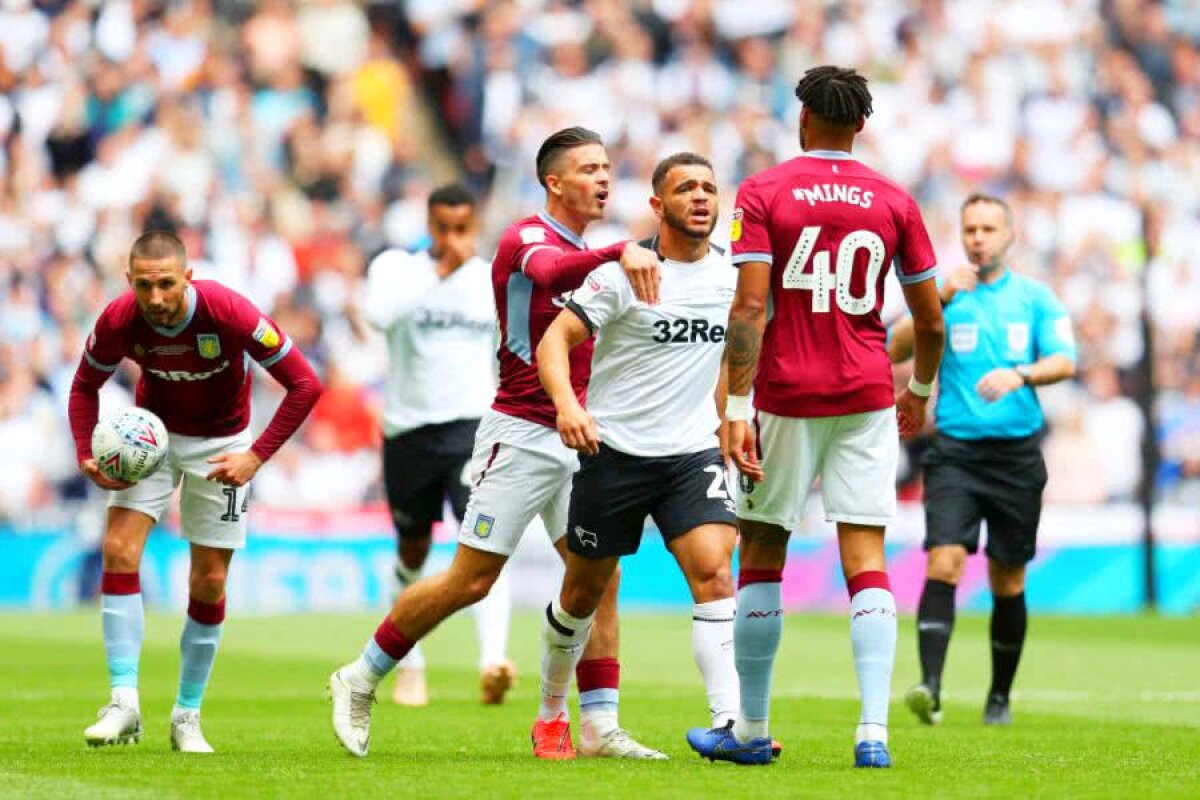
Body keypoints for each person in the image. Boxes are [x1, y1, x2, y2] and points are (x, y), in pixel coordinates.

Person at [328, 126, 662, 759]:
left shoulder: (590, 252)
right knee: (470, 580)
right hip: (521, 435)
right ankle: (360, 676)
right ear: (554, 181)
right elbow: (551, 270)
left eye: (608, 167)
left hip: (579, 436)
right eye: (589, 168)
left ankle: (593, 724)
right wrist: (622, 250)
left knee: (599, 578)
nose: (604, 178)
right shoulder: (526, 240)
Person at [685, 65, 945, 768]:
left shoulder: (766, 190)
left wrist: (736, 406)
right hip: (865, 394)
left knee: (763, 550)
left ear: (802, 118)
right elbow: (928, 316)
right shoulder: (894, 200)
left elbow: (748, 307)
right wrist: (917, 387)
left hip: (785, 394)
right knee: (866, 558)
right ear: (860, 125)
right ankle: (872, 733)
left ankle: (749, 731)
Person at [69, 230, 322, 753]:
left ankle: (186, 714)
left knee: (207, 582)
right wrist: (86, 455)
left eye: (166, 284)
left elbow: (304, 384)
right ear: (129, 282)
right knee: (118, 549)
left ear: (188, 278)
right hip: (150, 441)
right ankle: (123, 702)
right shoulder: (119, 318)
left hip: (222, 444)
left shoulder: (228, 312)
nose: (156, 298)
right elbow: (83, 386)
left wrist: (256, 455)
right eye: (144, 286)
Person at [533, 152, 740, 760]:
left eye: (708, 187)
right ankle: (552, 711)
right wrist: (568, 406)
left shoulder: (732, 279)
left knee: (714, 570)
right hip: (615, 452)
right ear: (658, 205)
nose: (701, 197)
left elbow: (737, 350)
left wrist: (734, 416)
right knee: (583, 595)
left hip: (689, 453)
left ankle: (731, 723)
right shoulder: (626, 272)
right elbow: (555, 339)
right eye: (685, 188)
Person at [888, 193, 1077, 727]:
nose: (978, 238)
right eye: (970, 228)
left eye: (989, 228)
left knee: (1007, 578)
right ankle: (930, 688)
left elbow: (1066, 359)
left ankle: (999, 697)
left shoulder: (1035, 299)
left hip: (1016, 456)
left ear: (1009, 235)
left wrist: (1022, 374)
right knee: (943, 559)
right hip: (955, 454)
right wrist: (940, 299)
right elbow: (894, 348)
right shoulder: (946, 295)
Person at [361, 183, 514, 707]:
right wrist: (441, 269)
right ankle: (411, 661)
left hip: (471, 427)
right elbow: (380, 317)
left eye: (462, 229)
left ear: (474, 226)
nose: (453, 239)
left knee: (483, 540)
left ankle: (492, 660)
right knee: (413, 549)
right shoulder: (396, 269)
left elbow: (509, 347)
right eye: (443, 228)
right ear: (429, 225)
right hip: (407, 430)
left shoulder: (490, 278)